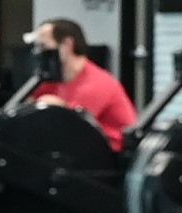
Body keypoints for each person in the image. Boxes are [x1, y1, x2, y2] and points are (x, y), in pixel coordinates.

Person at [31, 19, 138, 152]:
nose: (39, 53)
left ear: (67, 45)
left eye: (44, 46)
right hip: (80, 152)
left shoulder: (98, 83)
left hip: (108, 157)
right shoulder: (53, 81)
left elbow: (72, 127)